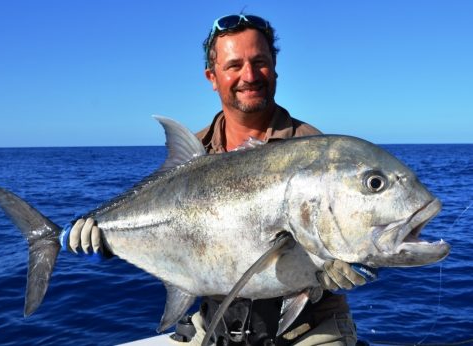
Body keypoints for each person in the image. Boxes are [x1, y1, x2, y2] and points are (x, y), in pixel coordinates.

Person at [68, 14, 366, 346]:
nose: (249, 76)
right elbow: (168, 226)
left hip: (309, 328)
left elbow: (359, 228)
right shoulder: (196, 153)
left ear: (275, 67)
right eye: (234, 65)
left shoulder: (311, 150)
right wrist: (104, 239)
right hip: (215, 324)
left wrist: (359, 262)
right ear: (212, 76)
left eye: (260, 62)